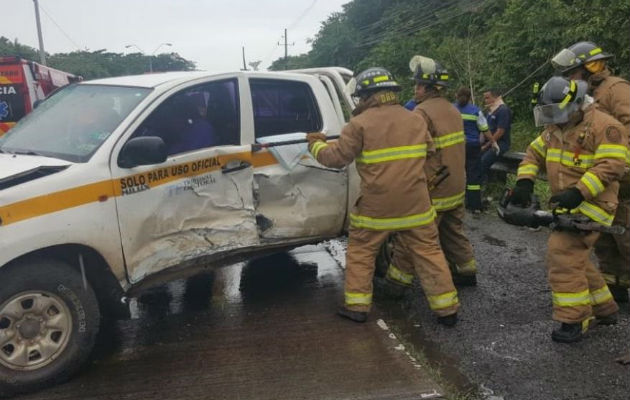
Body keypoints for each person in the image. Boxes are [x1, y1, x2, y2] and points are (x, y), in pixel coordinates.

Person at [306, 67, 459, 326]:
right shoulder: (415, 119)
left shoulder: (359, 124)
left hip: (376, 208)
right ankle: (447, 311)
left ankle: (357, 306)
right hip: (416, 205)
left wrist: (315, 143)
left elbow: (336, 159)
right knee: (429, 252)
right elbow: (430, 154)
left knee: (361, 251)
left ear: (367, 96)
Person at [509, 76, 627, 343]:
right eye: (550, 113)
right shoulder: (554, 128)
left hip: (596, 204)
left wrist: (579, 191)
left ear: (576, 104)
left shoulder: (606, 127)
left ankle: (574, 318)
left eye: (558, 112)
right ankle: (604, 308)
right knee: (576, 258)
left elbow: (611, 165)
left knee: (562, 253)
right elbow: (533, 154)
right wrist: (525, 182)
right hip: (569, 203)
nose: (555, 118)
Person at [552, 41, 630, 305]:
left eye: (572, 73)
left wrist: (617, 160)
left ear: (588, 69)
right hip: (600, 178)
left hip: (621, 174)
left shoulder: (615, 89)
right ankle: (615, 286)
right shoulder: (587, 94)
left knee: (625, 235)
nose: (569, 79)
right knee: (606, 236)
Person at [410, 56, 478, 286]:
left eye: (419, 85)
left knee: (420, 238)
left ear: (430, 89)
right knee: (454, 232)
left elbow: (415, 152)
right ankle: (467, 271)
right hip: (456, 185)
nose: (415, 89)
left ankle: (398, 283)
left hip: (434, 188)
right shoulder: (453, 110)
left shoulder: (421, 113)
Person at [453, 87, 489, 213]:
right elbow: (484, 129)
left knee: (455, 173)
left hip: (456, 145)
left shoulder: (451, 109)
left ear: (456, 95)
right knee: (473, 175)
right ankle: (474, 205)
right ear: (469, 98)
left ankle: (454, 203)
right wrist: (493, 142)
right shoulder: (476, 111)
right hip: (473, 146)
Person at [480, 88, 512, 184]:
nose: (485, 100)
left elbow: (500, 131)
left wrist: (487, 145)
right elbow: (484, 127)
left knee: (483, 161)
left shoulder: (503, 110)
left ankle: (481, 184)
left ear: (495, 97)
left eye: (487, 98)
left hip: (500, 143)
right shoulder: (490, 110)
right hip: (488, 142)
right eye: (484, 98)